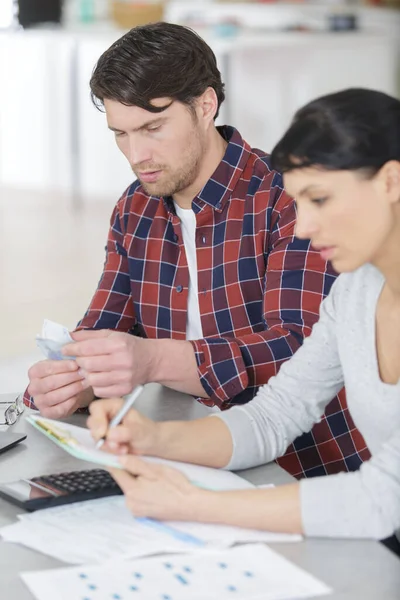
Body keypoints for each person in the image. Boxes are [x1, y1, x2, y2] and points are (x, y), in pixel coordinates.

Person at [25, 23, 367, 479]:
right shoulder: (135, 206)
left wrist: (152, 360)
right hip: (185, 456)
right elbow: (103, 329)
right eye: (121, 133)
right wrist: (73, 381)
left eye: (152, 127)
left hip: (303, 469)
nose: (136, 154)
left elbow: (298, 348)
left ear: (206, 106)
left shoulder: (286, 196)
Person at [87, 88, 400, 542]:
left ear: (390, 181)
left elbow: (383, 498)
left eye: (320, 199)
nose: (305, 226)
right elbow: (275, 415)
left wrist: (197, 505)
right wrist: (153, 439)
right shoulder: (356, 292)